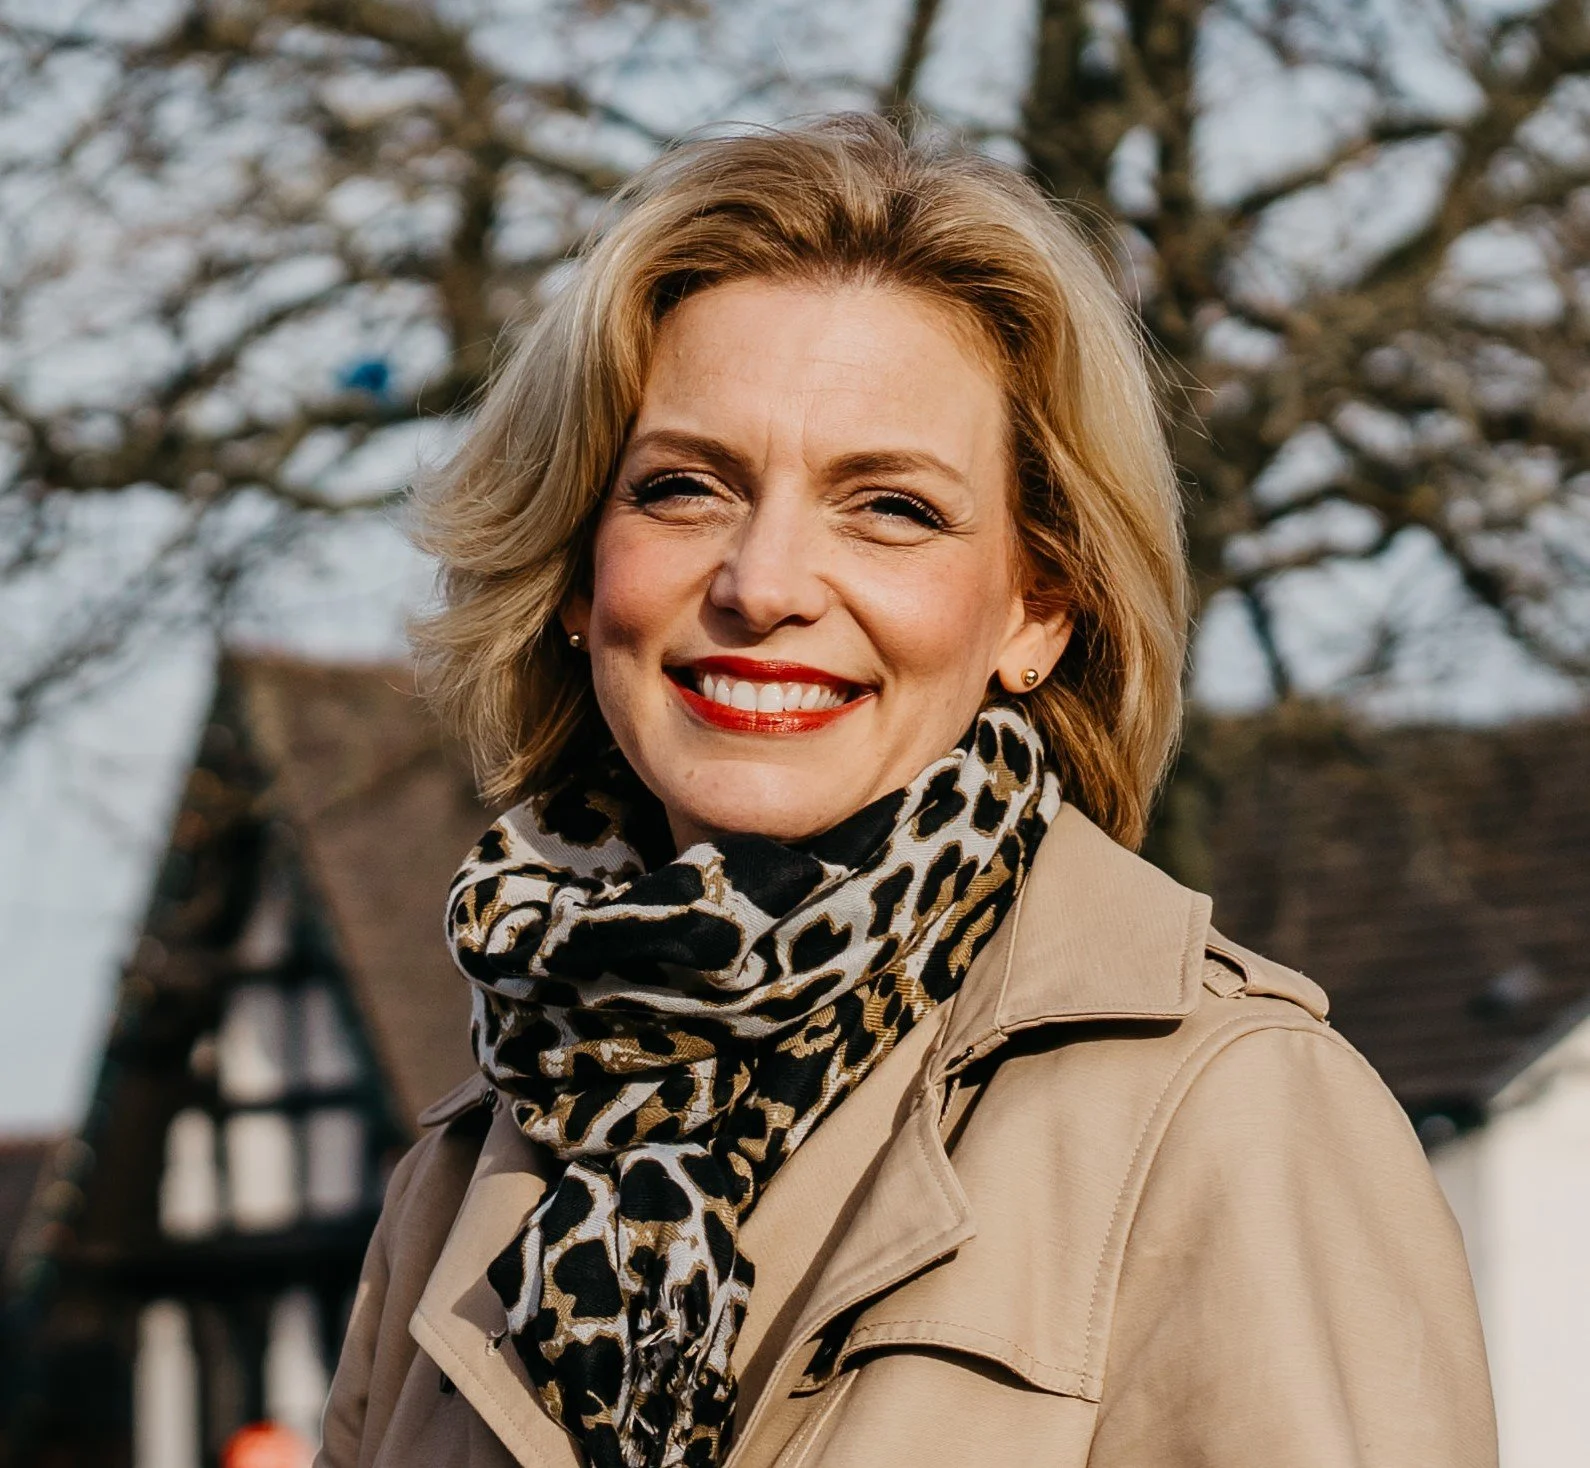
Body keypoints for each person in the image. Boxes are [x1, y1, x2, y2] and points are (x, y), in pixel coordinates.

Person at [316, 115, 1496, 1468]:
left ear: (1036, 609)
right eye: (684, 488)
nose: (762, 585)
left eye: (889, 508)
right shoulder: (469, 1174)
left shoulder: (1229, 1113)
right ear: (579, 574)